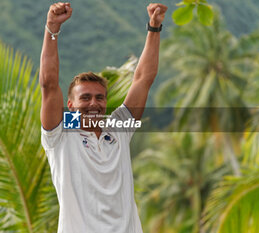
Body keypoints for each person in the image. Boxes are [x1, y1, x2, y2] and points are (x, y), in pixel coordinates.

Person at [39, 2, 167, 233]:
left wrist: (154, 27)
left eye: (99, 98)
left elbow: (143, 79)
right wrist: (52, 29)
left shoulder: (118, 128)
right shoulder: (59, 135)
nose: (93, 104)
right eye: (85, 98)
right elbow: (49, 84)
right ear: (70, 105)